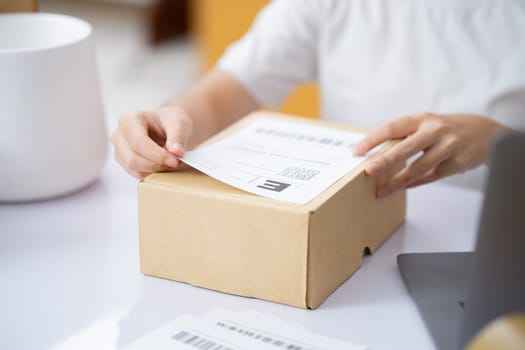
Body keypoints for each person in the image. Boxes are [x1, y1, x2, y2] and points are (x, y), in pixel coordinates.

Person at [112, 0, 524, 198]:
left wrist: (498, 143)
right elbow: (224, 95)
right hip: (356, 230)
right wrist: (169, 120)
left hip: (497, 242)